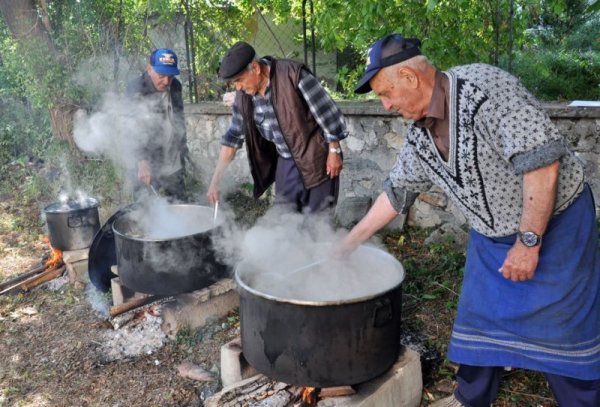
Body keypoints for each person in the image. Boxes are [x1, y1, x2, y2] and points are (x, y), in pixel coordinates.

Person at [340, 33, 599, 407]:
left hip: (556, 228)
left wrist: (528, 242)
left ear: (411, 78)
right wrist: (350, 241)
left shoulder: (488, 90)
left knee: (563, 332)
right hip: (492, 238)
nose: (386, 104)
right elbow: (397, 192)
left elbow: (543, 164)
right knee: (481, 322)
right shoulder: (421, 132)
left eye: (386, 93)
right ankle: (471, 398)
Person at [207, 42, 348, 215]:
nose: (238, 88)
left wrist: (333, 150)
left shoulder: (293, 75)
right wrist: (215, 181)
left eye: (239, 80)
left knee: (317, 222)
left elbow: (327, 113)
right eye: (233, 83)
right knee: (283, 220)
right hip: (286, 161)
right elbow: (232, 138)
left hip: (317, 158)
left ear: (256, 68)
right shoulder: (243, 98)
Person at [126, 48, 188, 201]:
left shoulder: (175, 86)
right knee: (146, 211)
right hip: (147, 163)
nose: (166, 81)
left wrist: (183, 148)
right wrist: (141, 161)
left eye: (170, 76)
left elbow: (178, 119)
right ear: (149, 69)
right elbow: (131, 128)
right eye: (161, 76)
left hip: (173, 159)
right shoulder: (136, 89)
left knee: (180, 205)